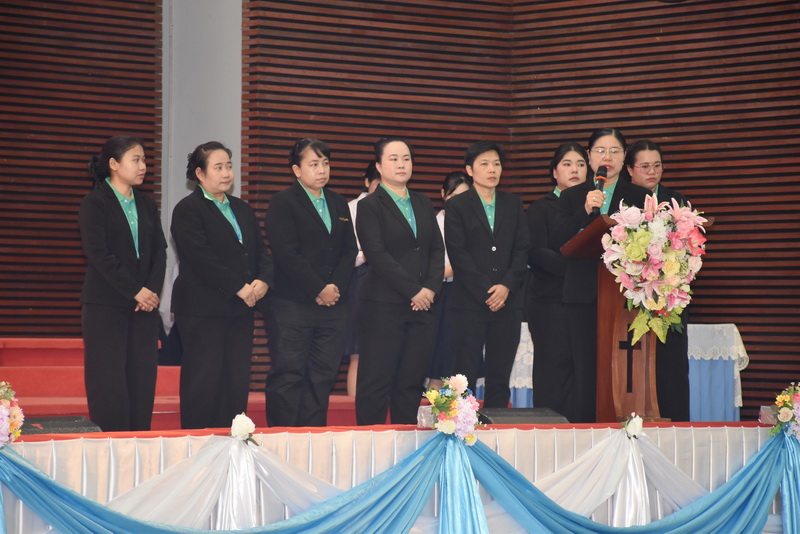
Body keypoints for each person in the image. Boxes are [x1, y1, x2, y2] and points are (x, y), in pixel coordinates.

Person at [171, 141, 273, 429]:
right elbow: (200, 257)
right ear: (200, 174)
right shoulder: (188, 209)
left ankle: (233, 439)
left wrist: (263, 281)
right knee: (204, 381)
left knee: (235, 380)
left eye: (229, 165)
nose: (227, 172)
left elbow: (260, 251)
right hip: (203, 309)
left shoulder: (241, 208)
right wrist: (239, 287)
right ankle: (200, 442)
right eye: (218, 167)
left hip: (240, 309)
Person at [555, 128, 650, 422]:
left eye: (614, 151)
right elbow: (559, 241)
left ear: (624, 158)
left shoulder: (641, 196)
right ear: (589, 156)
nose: (606, 157)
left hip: (625, 295)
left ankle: (626, 424)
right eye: (600, 151)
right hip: (582, 294)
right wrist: (585, 211)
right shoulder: (571, 196)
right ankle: (586, 428)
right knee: (585, 369)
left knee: (625, 369)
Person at [263, 139, 357, 427]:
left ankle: (312, 436)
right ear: (297, 170)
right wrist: (318, 288)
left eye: (325, 163)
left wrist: (334, 288)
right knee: (288, 373)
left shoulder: (338, 202)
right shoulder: (283, 202)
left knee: (322, 375)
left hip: (333, 305)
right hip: (292, 304)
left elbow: (348, 251)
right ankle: (282, 437)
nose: (321, 170)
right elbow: (286, 253)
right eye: (314, 164)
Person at [79, 135, 167, 431]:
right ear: (114, 164)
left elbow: (159, 251)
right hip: (106, 304)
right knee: (108, 381)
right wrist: (135, 291)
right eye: (136, 160)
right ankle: (110, 444)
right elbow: (98, 254)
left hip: (144, 306)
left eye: (144, 160)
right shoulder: (95, 203)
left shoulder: (147, 203)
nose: (143, 166)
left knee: (142, 379)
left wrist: (150, 291)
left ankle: (138, 441)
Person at [355, 137, 444, 425]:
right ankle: (370, 444)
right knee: (376, 382)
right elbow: (377, 254)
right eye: (393, 159)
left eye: (406, 158)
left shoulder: (422, 201)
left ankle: (406, 442)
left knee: (410, 383)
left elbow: (436, 249)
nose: (401, 164)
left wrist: (430, 289)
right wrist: (414, 290)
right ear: (379, 166)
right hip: (383, 306)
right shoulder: (370, 205)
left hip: (422, 307)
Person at [445, 141, 530, 408]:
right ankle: (459, 425)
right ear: (470, 170)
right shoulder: (457, 205)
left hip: (508, 302)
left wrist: (506, 286)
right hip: (469, 302)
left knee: (499, 374)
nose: (492, 169)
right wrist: (487, 290)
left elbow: (522, 249)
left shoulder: (513, 203)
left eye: (496, 164)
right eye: (484, 164)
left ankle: (497, 425)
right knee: (464, 373)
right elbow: (458, 253)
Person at [626, 139, 690, 421]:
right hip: (630, 296)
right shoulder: (622, 202)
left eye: (657, 165)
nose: (652, 172)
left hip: (670, 294)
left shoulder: (678, 202)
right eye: (644, 166)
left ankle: (676, 424)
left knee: (671, 365)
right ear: (630, 169)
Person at [525, 142, 588, 422]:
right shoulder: (541, 208)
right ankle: (549, 431)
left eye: (581, 164)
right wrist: (582, 271)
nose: (575, 170)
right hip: (550, 303)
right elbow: (537, 253)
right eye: (567, 164)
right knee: (552, 371)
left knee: (582, 374)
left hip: (587, 303)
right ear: (554, 172)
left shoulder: (597, 208)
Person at [428, 171, 471, 390]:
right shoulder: (434, 223)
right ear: (443, 194)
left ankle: (461, 406)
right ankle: (437, 405)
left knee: (462, 358)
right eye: (454, 196)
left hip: (467, 292)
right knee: (439, 357)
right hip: (441, 293)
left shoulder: (474, 222)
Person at [345, 162, 381, 396]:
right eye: (377, 185)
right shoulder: (351, 208)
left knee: (383, 351)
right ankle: (352, 409)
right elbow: (346, 252)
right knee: (358, 352)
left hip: (387, 281)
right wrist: (368, 254)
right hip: (360, 279)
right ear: (367, 182)